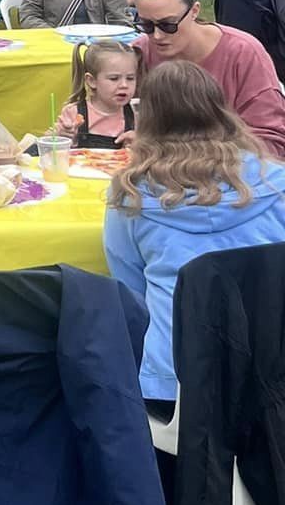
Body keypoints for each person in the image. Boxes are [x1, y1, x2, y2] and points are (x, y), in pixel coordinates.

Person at [103, 61, 285, 401]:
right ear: (220, 109)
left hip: (174, 383)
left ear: (149, 119)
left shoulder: (130, 197)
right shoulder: (275, 182)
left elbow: (129, 292)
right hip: (270, 375)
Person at [133, 0, 285, 156]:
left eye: (168, 25)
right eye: (145, 25)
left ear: (194, 11)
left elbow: (272, 140)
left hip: (230, 172)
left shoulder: (242, 53)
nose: (156, 35)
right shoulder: (139, 52)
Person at [52, 39, 139, 150]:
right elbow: (50, 151)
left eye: (130, 78)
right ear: (91, 81)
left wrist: (141, 142)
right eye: (114, 78)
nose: (124, 85)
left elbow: (154, 149)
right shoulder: (74, 113)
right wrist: (61, 137)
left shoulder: (136, 113)